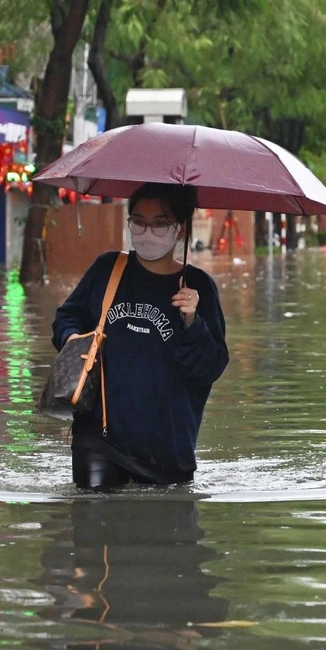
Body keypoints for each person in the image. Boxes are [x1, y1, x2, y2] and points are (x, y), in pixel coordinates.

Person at [51, 183, 228, 490]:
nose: (147, 231)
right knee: (94, 521)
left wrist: (192, 322)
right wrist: (73, 340)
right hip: (99, 435)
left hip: (167, 448)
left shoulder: (198, 287)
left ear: (181, 228)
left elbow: (210, 368)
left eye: (160, 223)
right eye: (139, 221)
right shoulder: (107, 269)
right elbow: (67, 317)